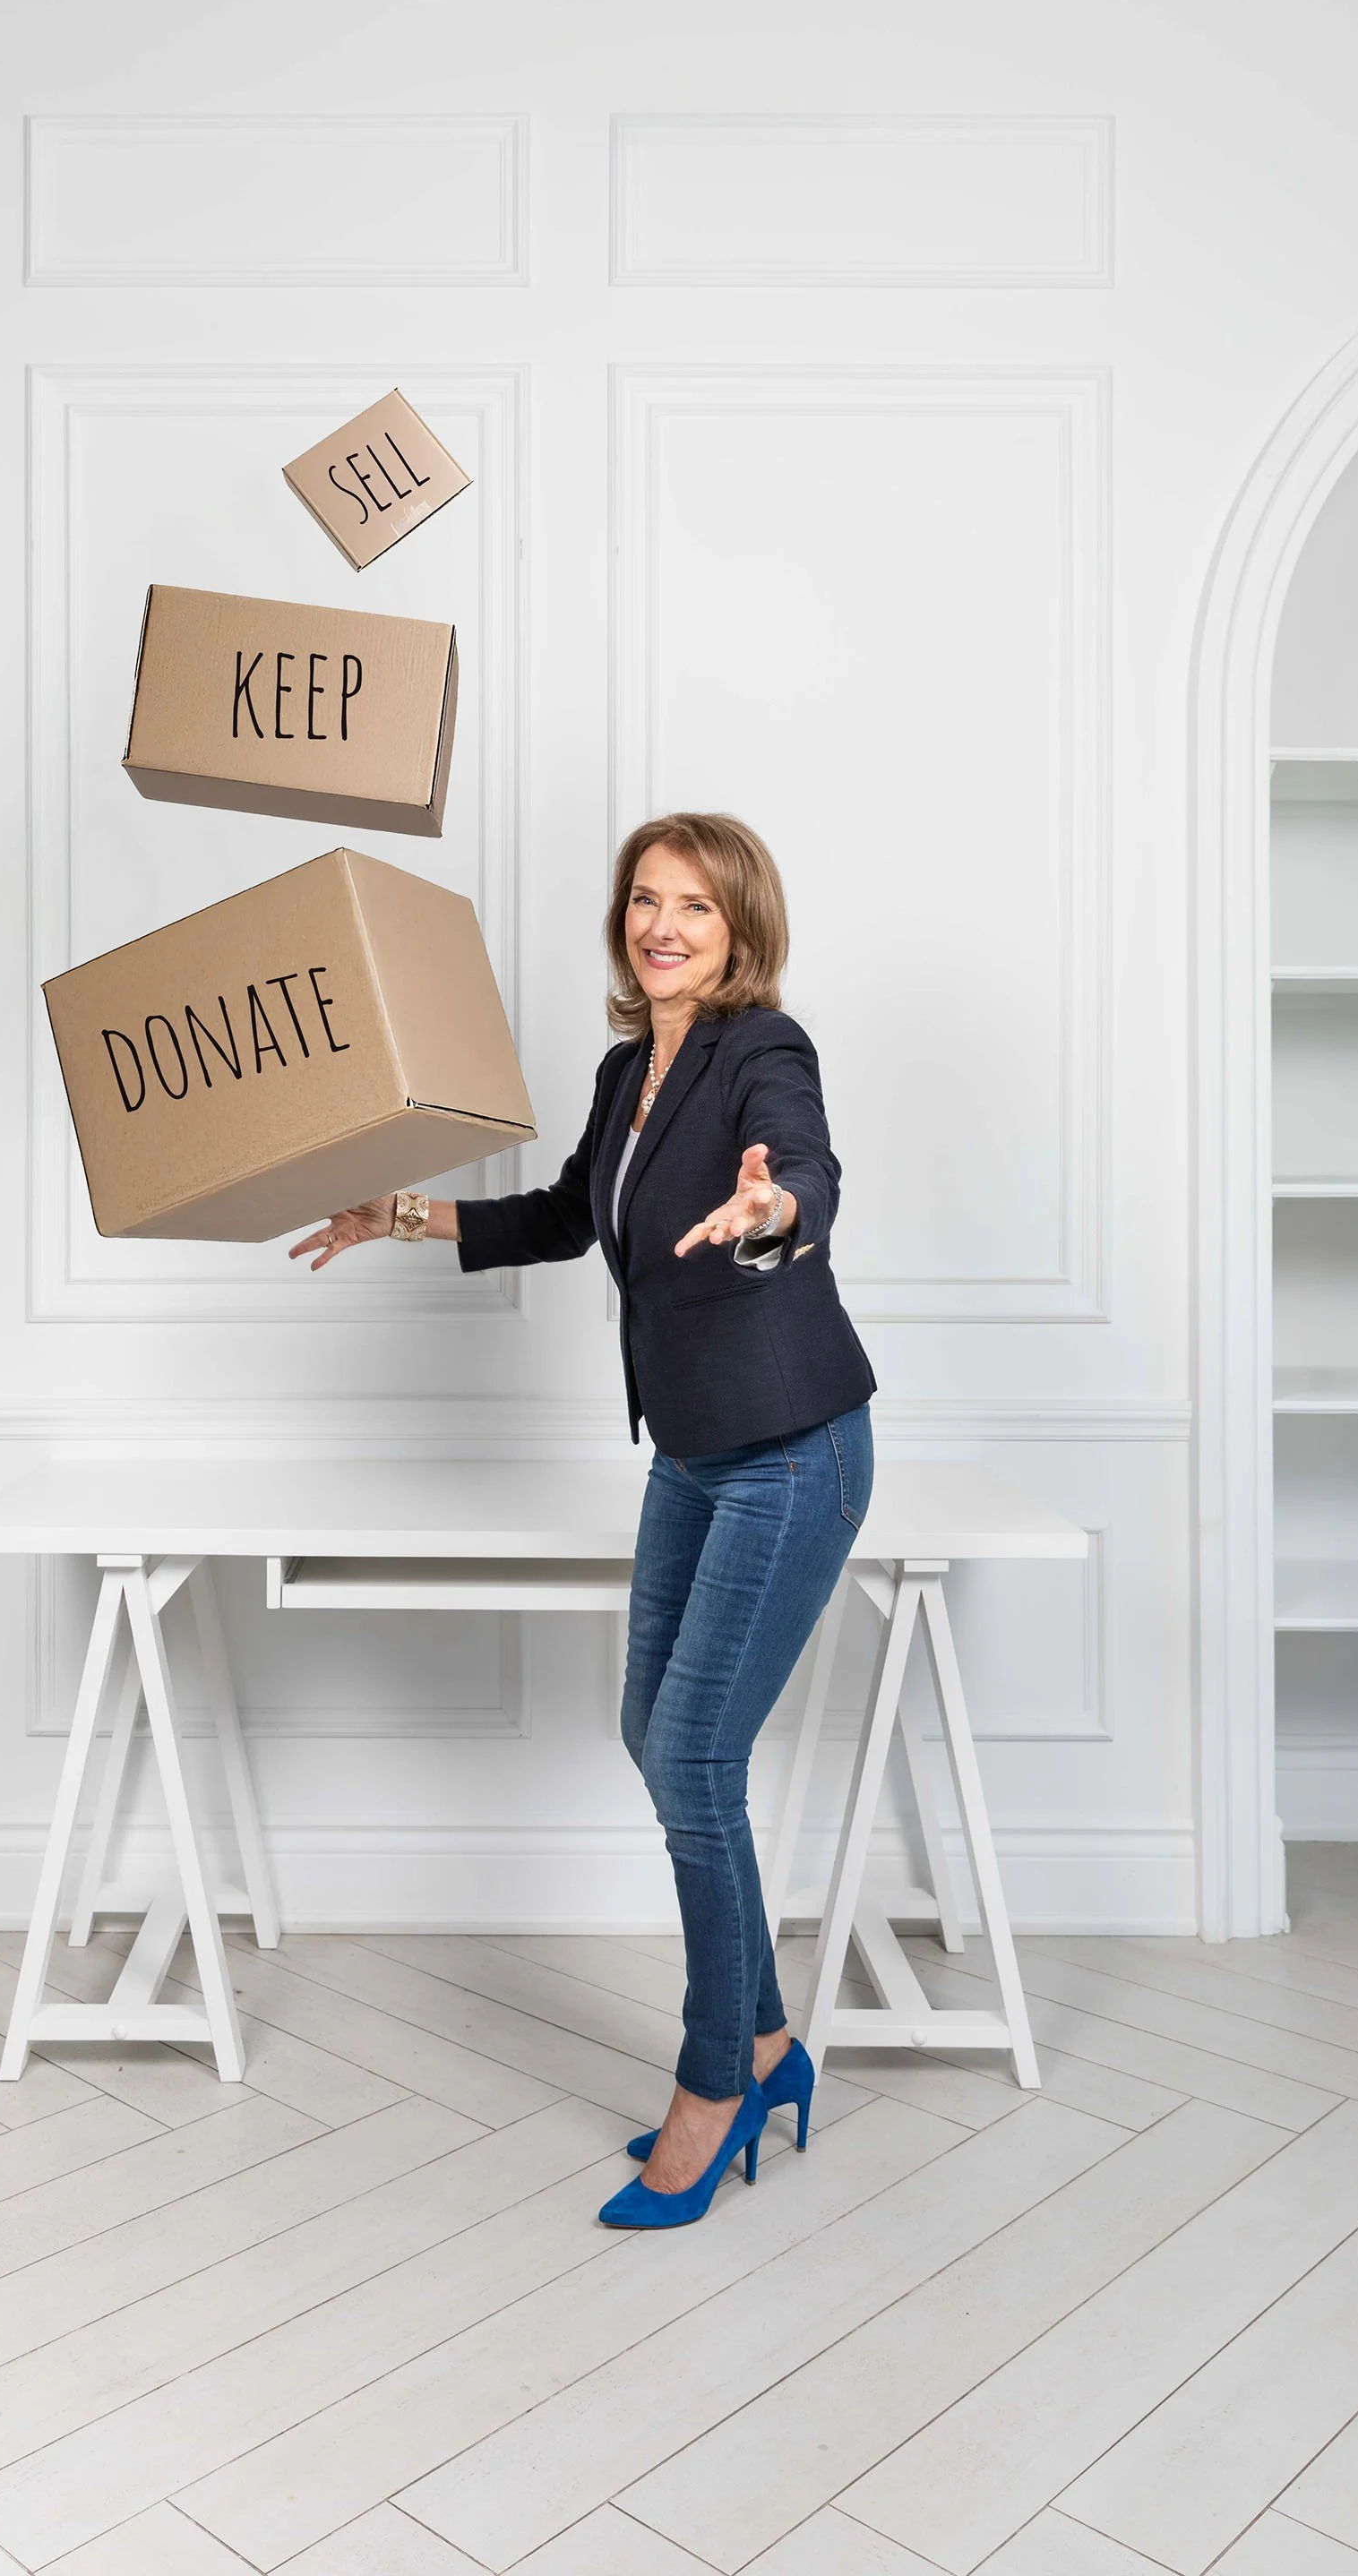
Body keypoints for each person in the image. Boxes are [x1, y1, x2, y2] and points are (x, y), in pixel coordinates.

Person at [289, 811, 877, 2230]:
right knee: (654, 1738)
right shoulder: (629, 1068)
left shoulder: (760, 1052)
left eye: (691, 905)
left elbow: (804, 1173)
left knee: (690, 1754)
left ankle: (711, 2082)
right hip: (691, 1454)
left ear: (739, 927)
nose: (660, 925)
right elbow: (568, 1214)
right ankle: (768, 2045)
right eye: (642, 901)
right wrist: (408, 1219)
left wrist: (770, 1212)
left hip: (793, 1450)